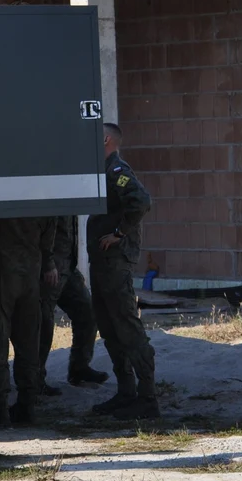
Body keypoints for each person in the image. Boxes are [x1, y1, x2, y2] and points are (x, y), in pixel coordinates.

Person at [87, 123, 157, 420]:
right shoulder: (104, 171)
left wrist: (119, 232)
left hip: (115, 261)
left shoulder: (116, 170)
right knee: (109, 327)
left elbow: (141, 202)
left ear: (106, 139)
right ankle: (126, 391)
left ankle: (147, 397)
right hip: (102, 262)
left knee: (127, 326)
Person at [0, 216, 57, 427]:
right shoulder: (42, 201)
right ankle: (27, 406)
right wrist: (48, 263)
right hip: (30, 276)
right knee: (28, 344)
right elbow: (48, 236)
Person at [38, 215, 110, 396]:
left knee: (87, 312)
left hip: (67, 266)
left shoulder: (71, 190)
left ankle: (79, 368)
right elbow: (43, 229)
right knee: (43, 322)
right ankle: (34, 379)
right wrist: (47, 263)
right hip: (50, 268)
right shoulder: (52, 193)